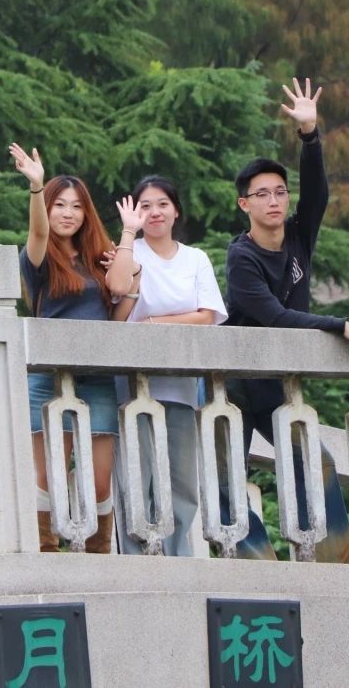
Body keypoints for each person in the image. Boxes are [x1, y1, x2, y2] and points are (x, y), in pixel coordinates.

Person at [223, 77, 349, 563]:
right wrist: (339, 324)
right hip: (233, 381)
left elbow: (319, 195)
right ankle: (258, 566)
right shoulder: (241, 258)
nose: (274, 201)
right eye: (262, 194)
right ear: (244, 204)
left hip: (275, 382)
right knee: (226, 479)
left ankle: (339, 562)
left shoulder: (297, 237)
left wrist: (310, 135)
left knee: (314, 461)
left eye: (280, 192)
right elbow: (274, 316)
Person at [8, 143, 137, 553]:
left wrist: (129, 239)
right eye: (59, 204)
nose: (68, 213)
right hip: (48, 376)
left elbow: (119, 302)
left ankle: (98, 557)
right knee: (49, 475)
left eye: (77, 206)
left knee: (99, 480)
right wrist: (36, 186)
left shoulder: (98, 257)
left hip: (97, 376)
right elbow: (38, 233)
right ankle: (46, 555)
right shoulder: (37, 258)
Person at [112, 176, 227, 556]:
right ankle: (137, 562)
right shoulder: (128, 252)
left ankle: (179, 559)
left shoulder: (196, 259)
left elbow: (207, 315)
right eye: (145, 206)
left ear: (176, 210)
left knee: (182, 481)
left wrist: (153, 323)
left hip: (181, 383)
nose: (155, 212)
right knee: (137, 478)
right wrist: (127, 237)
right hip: (133, 382)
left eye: (162, 204)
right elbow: (116, 314)